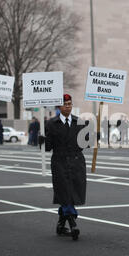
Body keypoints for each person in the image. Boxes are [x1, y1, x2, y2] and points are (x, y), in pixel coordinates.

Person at [39, 94, 88, 241]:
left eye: (69, 103)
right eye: (65, 104)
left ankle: (61, 225)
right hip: (60, 162)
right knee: (65, 193)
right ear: (59, 107)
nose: (68, 106)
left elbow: (84, 144)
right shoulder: (51, 124)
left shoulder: (78, 122)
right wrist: (42, 141)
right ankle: (73, 224)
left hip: (76, 162)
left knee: (73, 192)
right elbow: (48, 147)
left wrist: (92, 136)